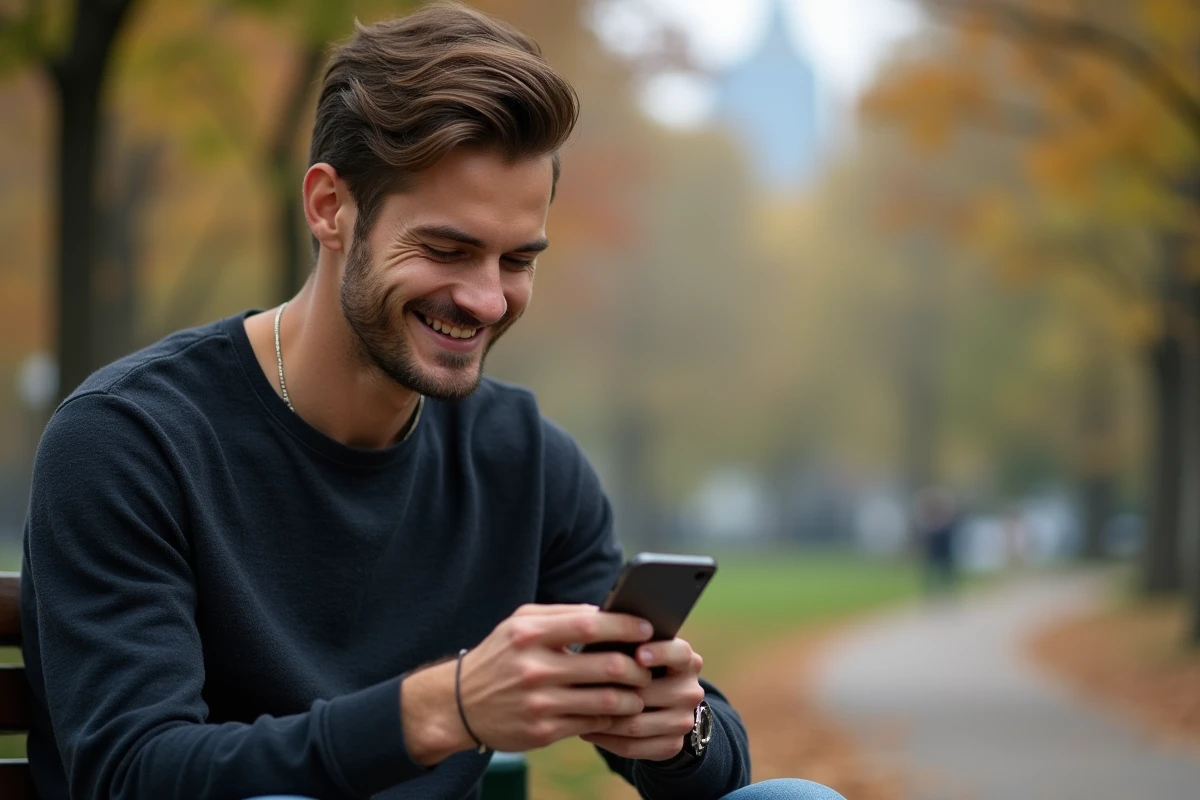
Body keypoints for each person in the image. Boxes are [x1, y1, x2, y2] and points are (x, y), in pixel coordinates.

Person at [20, 4, 847, 799]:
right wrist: (441, 709)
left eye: (517, 260)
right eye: (448, 249)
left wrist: (677, 730)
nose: (487, 300)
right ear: (329, 207)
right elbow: (131, 773)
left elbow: (716, 764)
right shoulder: (130, 442)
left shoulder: (524, 460)